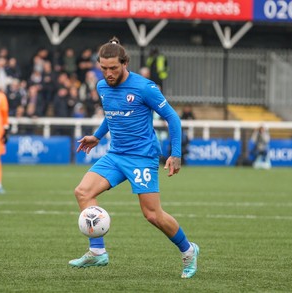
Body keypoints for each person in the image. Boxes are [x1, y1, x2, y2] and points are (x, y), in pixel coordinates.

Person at [69, 37, 199, 279]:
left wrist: (176, 154)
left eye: (113, 68)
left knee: (152, 215)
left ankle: (189, 250)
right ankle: (97, 252)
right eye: (103, 68)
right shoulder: (101, 86)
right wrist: (97, 137)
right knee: (83, 192)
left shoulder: (144, 87)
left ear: (125, 63)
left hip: (142, 157)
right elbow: (112, 113)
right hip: (116, 154)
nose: (108, 73)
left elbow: (173, 118)